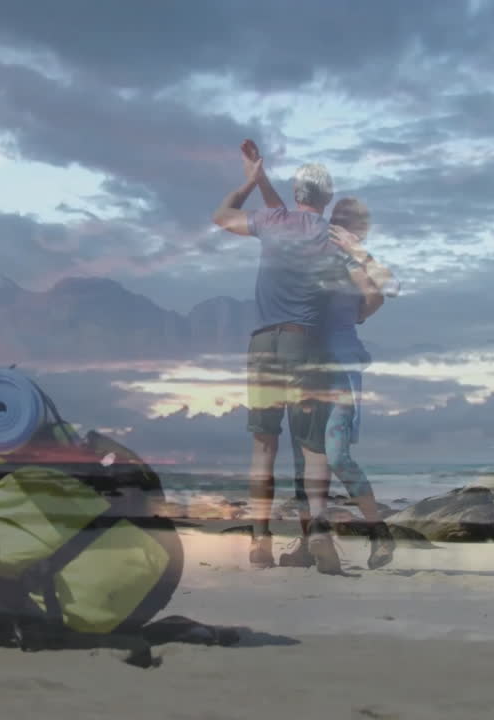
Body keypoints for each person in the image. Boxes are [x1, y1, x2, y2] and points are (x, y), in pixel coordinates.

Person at [211, 139, 346, 575]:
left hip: (262, 345)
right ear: (327, 199)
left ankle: (260, 542)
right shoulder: (332, 237)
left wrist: (251, 182)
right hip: (304, 343)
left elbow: (222, 217)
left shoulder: (273, 220)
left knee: (263, 444)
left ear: (296, 194)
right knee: (312, 448)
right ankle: (320, 533)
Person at [254, 189, 401, 570]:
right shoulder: (315, 258)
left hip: (340, 370)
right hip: (308, 364)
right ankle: (309, 544)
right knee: (306, 460)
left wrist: (359, 262)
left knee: (336, 456)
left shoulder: (350, 261)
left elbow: (386, 292)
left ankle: (379, 532)